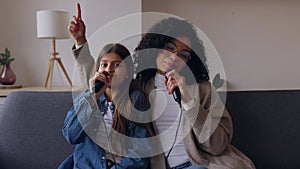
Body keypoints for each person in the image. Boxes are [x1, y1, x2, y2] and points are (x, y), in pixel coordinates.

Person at [131, 17, 256, 169]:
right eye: (169, 47)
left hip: (201, 164)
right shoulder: (138, 89)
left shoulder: (204, 90)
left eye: (183, 54)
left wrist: (189, 101)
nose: (175, 57)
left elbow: (217, 146)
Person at [58, 3, 150, 169]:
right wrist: (92, 97)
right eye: (104, 65)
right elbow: (71, 135)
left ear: (128, 71)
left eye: (116, 65)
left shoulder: (135, 99)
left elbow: (140, 151)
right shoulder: (88, 97)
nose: (109, 70)